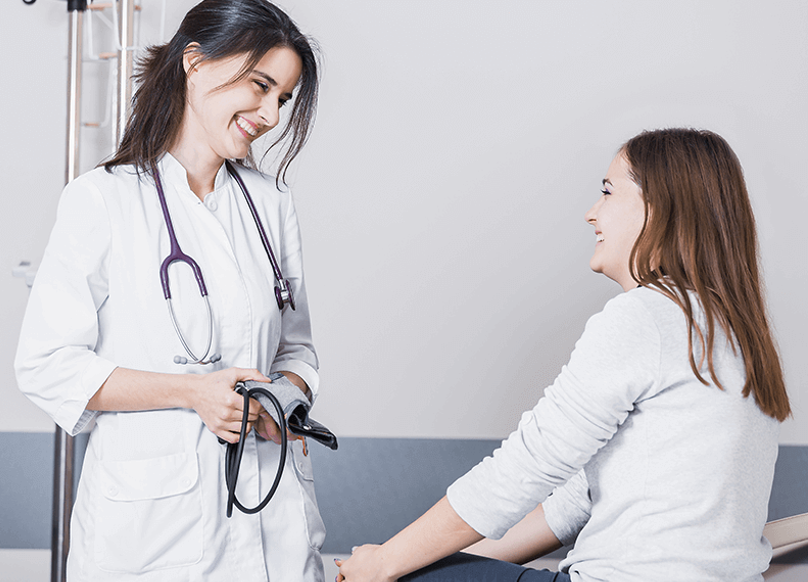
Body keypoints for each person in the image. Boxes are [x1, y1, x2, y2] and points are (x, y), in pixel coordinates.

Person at [336, 128, 791, 582]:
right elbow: (578, 499)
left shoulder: (646, 317)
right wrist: (405, 560)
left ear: (657, 208)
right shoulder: (735, 332)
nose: (592, 213)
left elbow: (526, 465)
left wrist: (386, 564)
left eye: (607, 192)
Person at [15, 1, 326, 580]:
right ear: (195, 62)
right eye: (261, 86)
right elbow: (46, 364)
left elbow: (297, 349)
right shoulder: (102, 199)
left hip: (273, 522)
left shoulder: (271, 204)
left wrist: (279, 398)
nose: (270, 114)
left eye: (282, 99)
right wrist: (193, 393)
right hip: (152, 535)